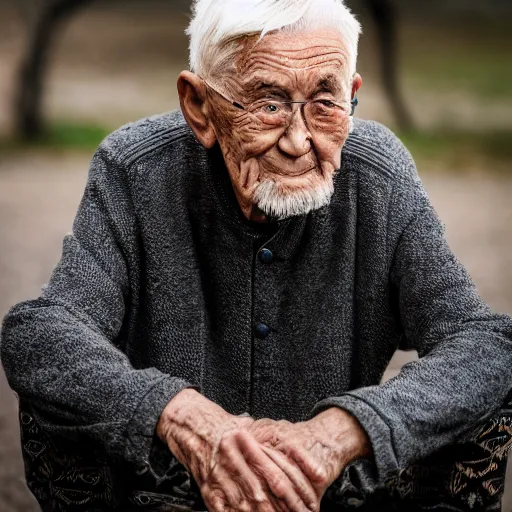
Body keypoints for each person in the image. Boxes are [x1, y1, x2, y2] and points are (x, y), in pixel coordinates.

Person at [1, 0, 511, 510]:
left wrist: (344, 430)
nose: (298, 140)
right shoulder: (136, 170)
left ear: (352, 93)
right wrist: (181, 416)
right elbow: (42, 334)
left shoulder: (378, 176)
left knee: (478, 396)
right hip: (172, 489)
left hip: (331, 488)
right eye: (268, 105)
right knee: (59, 392)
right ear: (199, 106)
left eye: (325, 101)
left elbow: (484, 343)